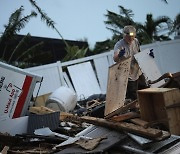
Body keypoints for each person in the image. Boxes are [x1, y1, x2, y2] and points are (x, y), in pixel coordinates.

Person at [113, 25, 144, 100]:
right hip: (128, 75)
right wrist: (119, 55)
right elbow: (115, 59)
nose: (131, 38)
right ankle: (135, 109)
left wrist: (147, 56)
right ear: (124, 35)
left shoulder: (136, 41)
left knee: (145, 89)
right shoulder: (119, 45)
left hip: (137, 71)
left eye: (133, 36)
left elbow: (139, 53)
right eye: (129, 37)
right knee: (133, 95)